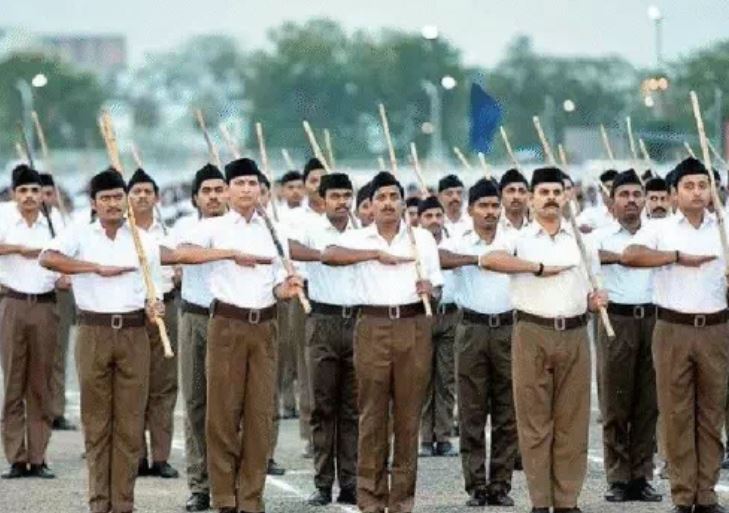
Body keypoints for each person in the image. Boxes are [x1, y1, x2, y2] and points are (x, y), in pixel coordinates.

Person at [172, 157, 303, 513]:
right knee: (222, 415)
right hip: (226, 324)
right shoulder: (214, 227)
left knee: (260, 415)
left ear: (261, 189)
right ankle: (224, 496)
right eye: (239, 183)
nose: (247, 189)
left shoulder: (272, 230)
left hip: (265, 324)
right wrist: (230, 254)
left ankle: (251, 497)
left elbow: (276, 283)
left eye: (252, 183)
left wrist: (287, 289)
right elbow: (178, 254)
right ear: (228, 191)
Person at [481, 167, 607, 513]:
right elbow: (489, 259)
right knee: (535, 423)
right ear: (531, 198)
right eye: (544, 192)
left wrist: (597, 301)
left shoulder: (583, 240)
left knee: (572, 423)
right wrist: (536, 267)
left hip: (575, 333)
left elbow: (594, 290)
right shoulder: (517, 237)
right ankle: (540, 502)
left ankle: (567, 501)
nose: (551, 198)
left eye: (557, 192)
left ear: (566, 196)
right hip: (532, 332)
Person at [40, 167, 165, 513]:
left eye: (117, 197)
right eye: (105, 198)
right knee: (97, 422)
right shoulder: (80, 234)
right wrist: (93, 267)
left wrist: (155, 307)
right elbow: (47, 258)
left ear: (126, 200)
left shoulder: (143, 240)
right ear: (94, 203)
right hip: (93, 331)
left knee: (129, 422)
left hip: (134, 332)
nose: (112, 203)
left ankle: (123, 503)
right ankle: (99, 502)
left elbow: (155, 290)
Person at [322, 171, 443, 513]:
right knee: (372, 415)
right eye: (381, 198)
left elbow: (437, 286)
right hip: (372, 325)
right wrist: (374, 254)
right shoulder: (358, 238)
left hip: (413, 324)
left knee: (408, 416)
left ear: (404, 203)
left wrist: (430, 290)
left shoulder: (421, 238)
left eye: (394, 197)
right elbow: (329, 255)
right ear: (370, 205)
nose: (388, 203)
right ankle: (371, 499)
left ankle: (402, 501)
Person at [622, 157, 729, 513]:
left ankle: (706, 493)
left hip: (716, 327)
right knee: (676, 413)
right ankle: (683, 495)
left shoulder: (724, 226)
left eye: (703, 185)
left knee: (711, 414)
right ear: (673, 193)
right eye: (689, 186)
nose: (697, 192)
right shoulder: (661, 228)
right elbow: (631, 255)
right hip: (672, 328)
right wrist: (676, 257)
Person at [440, 179, 518, 507]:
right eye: (483, 206)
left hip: (508, 328)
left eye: (494, 206)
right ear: (470, 209)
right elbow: (440, 258)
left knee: (507, 411)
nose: (490, 212)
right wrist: (478, 259)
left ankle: (500, 484)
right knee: (472, 410)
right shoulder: (457, 240)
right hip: (471, 329)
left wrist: (499, 258)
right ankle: (475, 485)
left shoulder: (514, 239)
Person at [590, 170, 661, 503]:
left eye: (636, 194)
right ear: (612, 201)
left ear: (644, 199)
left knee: (648, 404)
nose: (631, 200)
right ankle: (618, 477)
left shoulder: (658, 234)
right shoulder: (599, 237)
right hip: (616, 321)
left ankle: (642, 476)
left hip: (654, 319)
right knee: (615, 402)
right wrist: (624, 257)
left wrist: (639, 256)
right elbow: (589, 260)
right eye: (624, 195)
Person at [289, 173, 359, 506]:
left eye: (347, 196)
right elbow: (289, 249)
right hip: (322, 321)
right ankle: (322, 483)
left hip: (357, 321)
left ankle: (350, 482)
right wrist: (323, 255)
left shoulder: (362, 233)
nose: (342, 202)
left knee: (352, 408)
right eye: (335, 196)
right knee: (322, 405)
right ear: (323, 199)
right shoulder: (311, 230)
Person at [173, 164, 227, 512]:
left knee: (229, 405)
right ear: (195, 197)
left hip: (231, 320)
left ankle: (228, 482)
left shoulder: (240, 228)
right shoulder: (184, 226)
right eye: (206, 191)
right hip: (194, 317)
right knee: (196, 403)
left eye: (219, 190)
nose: (213, 196)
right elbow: (177, 255)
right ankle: (200, 485)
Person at [0, 165, 60, 479]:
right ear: (14, 194)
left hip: (45, 305)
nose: (29, 196)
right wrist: (20, 249)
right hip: (13, 303)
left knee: (40, 383)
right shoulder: (3, 217)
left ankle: (38, 456)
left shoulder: (54, 223)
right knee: (13, 381)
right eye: (23, 190)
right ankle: (15, 456)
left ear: (42, 194)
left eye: (35, 190)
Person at [126, 168, 180, 479]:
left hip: (165, 308)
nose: (143, 196)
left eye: (148, 191)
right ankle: (136, 455)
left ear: (157, 198)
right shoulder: (122, 233)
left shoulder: (169, 233)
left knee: (163, 384)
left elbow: (180, 265)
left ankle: (161, 456)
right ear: (127, 198)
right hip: (132, 313)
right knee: (133, 384)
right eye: (136, 192)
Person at [417, 196, 459, 458]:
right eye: (428, 216)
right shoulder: (414, 244)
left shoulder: (455, 242)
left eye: (437, 215)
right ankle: (425, 438)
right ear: (419, 220)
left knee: (446, 378)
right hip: (423, 315)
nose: (434, 221)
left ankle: (443, 436)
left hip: (450, 315)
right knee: (423, 378)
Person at [37, 173, 77, 432]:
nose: (44, 198)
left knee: (59, 353)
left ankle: (57, 411)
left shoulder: (65, 222)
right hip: (33, 293)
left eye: (49, 194)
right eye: (41, 193)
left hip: (60, 294)